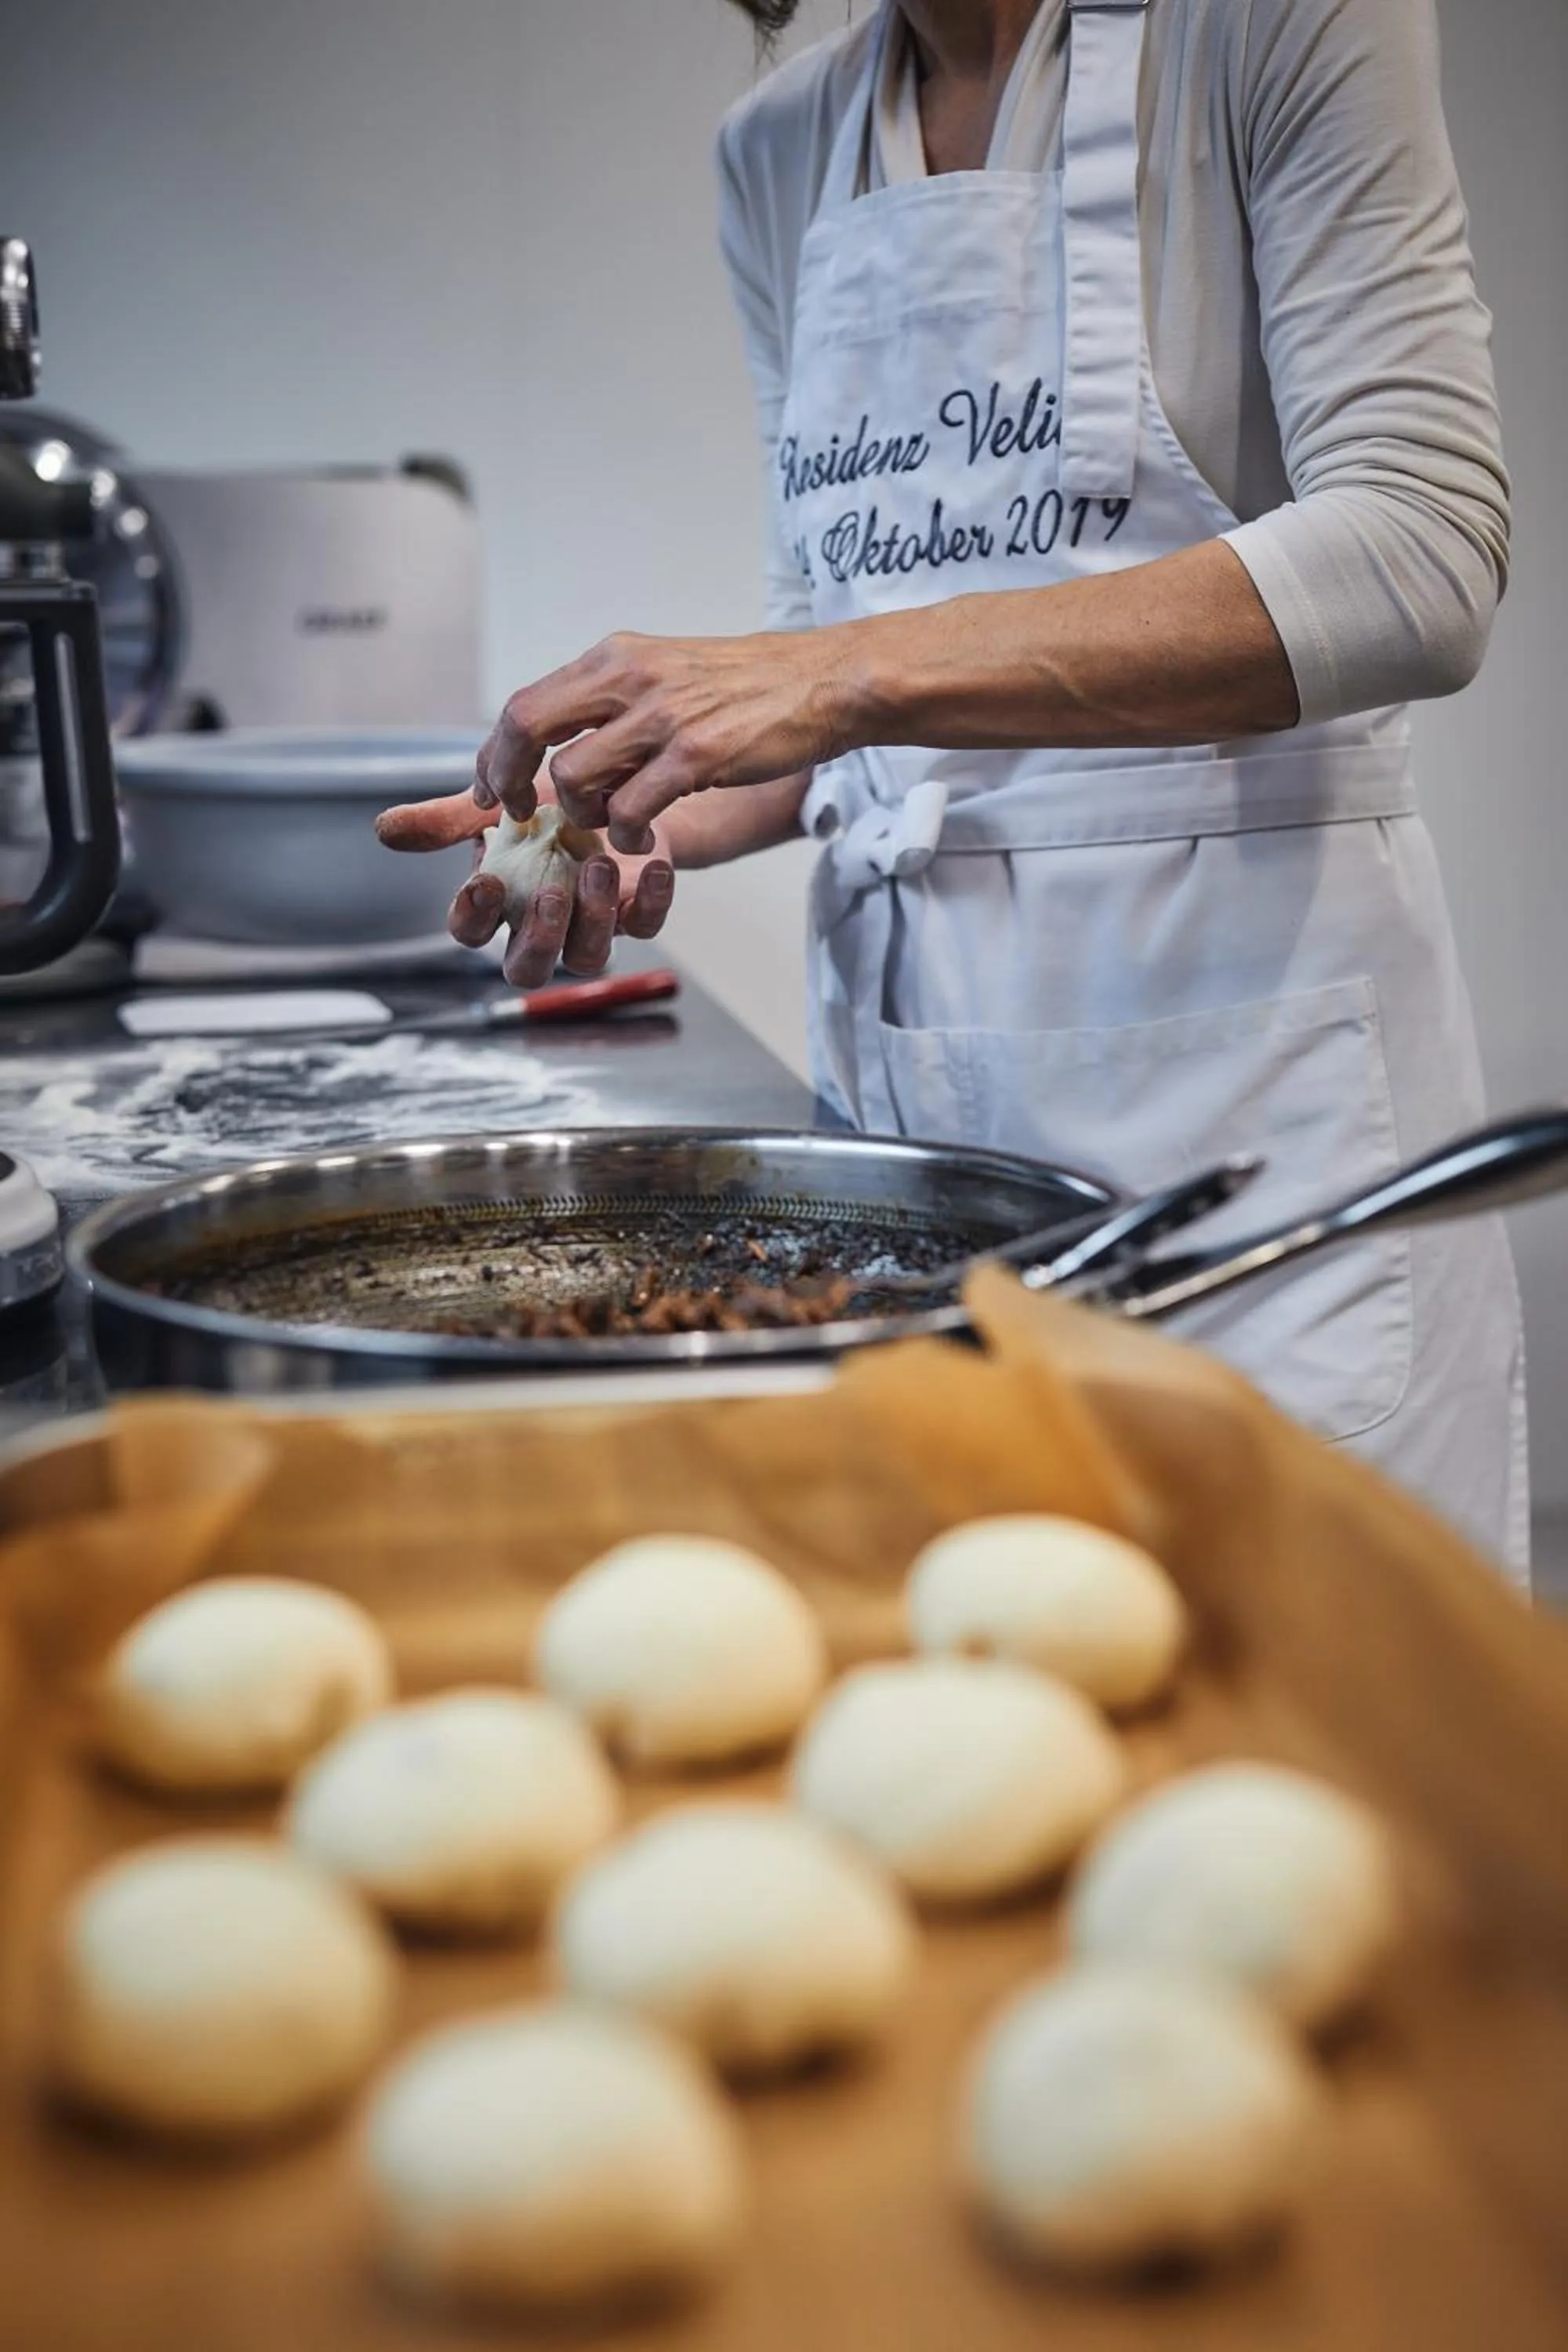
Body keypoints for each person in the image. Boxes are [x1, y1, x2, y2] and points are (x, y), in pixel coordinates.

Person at [379, 0, 1527, 1576]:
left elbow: (1419, 554)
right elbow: (834, 653)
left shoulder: (1273, 23)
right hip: (904, 1116)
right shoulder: (780, 150)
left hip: (1245, 1109)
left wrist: (830, 673)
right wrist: (641, 800)